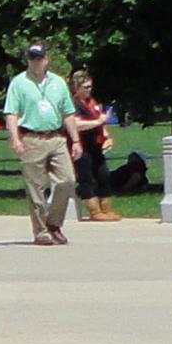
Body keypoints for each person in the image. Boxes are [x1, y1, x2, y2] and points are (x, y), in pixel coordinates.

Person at [2, 40, 77, 247]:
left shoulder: (58, 83)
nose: (36, 62)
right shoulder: (19, 83)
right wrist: (15, 138)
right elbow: (11, 113)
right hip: (31, 138)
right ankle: (41, 232)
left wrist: (76, 140)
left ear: (46, 59)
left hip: (56, 137)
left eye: (39, 58)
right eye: (32, 58)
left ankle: (54, 223)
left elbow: (68, 113)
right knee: (36, 189)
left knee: (67, 180)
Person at [68, 67, 120, 226]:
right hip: (81, 146)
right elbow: (76, 124)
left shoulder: (92, 102)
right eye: (85, 87)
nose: (89, 90)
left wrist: (107, 136)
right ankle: (94, 211)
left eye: (90, 86)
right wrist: (98, 121)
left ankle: (106, 208)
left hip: (95, 145)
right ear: (76, 87)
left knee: (103, 174)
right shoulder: (72, 104)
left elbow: (101, 122)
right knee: (86, 177)